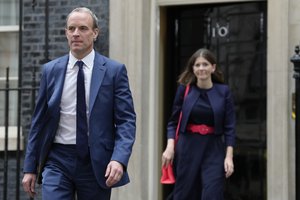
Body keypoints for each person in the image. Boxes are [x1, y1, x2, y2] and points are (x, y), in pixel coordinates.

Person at [22, 7, 136, 200]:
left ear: (95, 33)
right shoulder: (51, 70)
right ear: (66, 32)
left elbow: (126, 121)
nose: (76, 33)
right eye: (71, 28)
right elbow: (39, 122)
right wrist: (30, 168)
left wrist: (119, 159)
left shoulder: (114, 71)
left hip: (96, 160)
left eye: (83, 28)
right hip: (57, 159)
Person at [161, 48, 235, 200]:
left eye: (205, 64)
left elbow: (230, 128)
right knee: (186, 193)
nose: (201, 68)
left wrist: (229, 157)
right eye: (197, 65)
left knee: (212, 193)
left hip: (213, 149)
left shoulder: (224, 91)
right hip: (187, 147)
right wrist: (170, 148)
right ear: (193, 69)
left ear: (213, 67)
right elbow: (173, 122)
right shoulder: (184, 90)